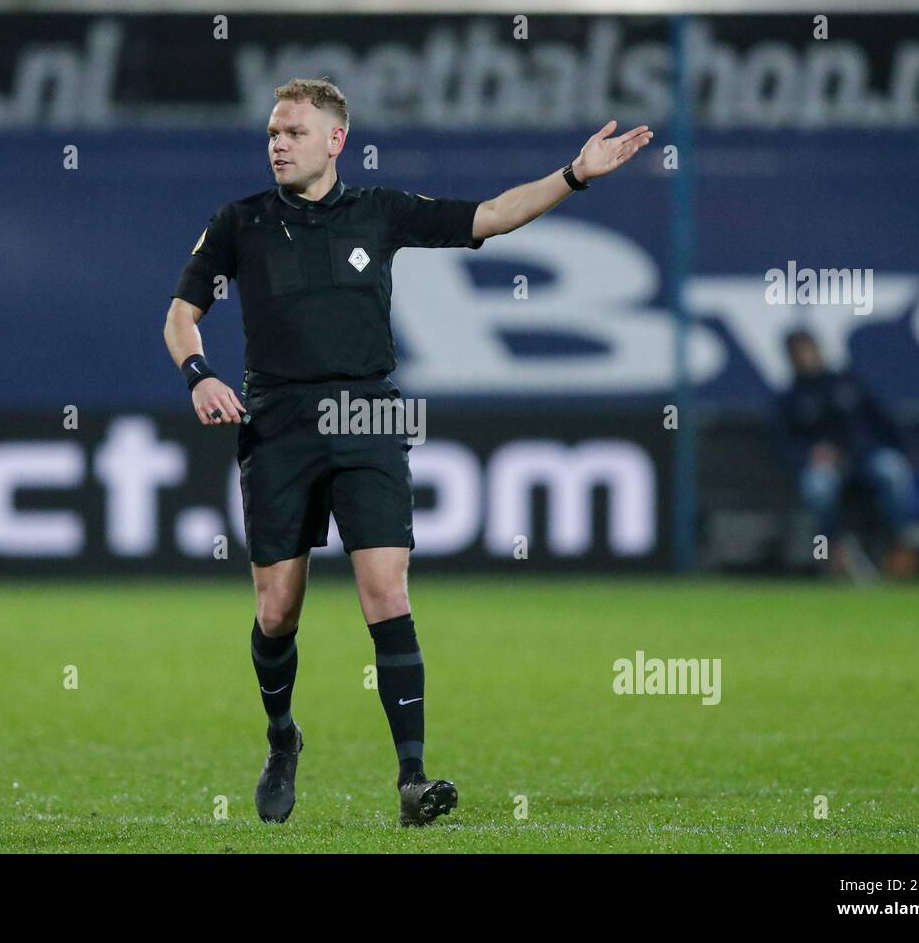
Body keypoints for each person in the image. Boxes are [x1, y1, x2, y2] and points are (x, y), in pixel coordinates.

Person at [164, 77, 652, 825]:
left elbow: (488, 216)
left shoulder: (379, 212)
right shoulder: (241, 221)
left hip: (365, 413)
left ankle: (413, 779)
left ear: (335, 140)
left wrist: (575, 174)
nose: (277, 143)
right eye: (272, 132)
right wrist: (198, 375)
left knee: (386, 592)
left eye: (293, 131)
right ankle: (282, 736)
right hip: (278, 420)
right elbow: (181, 314)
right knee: (276, 612)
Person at [777, 329, 918, 578]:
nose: (804, 357)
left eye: (807, 350)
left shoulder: (848, 384)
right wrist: (811, 455)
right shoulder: (789, 398)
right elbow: (785, 445)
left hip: (864, 458)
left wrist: (904, 450)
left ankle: (898, 544)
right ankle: (834, 548)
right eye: (797, 353)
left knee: (893, 470)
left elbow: (885, 423)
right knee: (817, 486)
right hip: (825, 466)